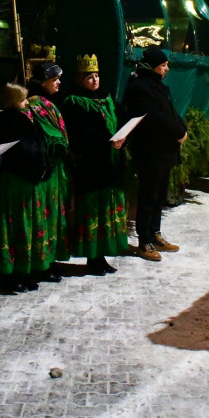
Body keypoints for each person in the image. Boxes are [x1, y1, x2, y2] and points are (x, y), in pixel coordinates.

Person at [62, 54, 128, 274]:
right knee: (92, 213)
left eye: (97, 76)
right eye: (90, 77)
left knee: (107, 211)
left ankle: (102, 255)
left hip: (110, 166)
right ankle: (93, 257)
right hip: (91, 167)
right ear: (80, 79)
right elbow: (80, 135)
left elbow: (121, 120)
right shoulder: (74, 102)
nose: (95, 80)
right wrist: (106, 142)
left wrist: (122, 138)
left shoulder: (107, 99)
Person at [124, 46, 187, 261]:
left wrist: (182, 127)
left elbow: (170, 112)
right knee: (148, 196)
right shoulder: (140, 88)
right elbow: (154, 117)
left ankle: (155, 233)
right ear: (152, 67)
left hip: (164, 150)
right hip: (150, 151)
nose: (167, 69)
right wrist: (178, 131)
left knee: (159, 195)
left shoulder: (159, 86)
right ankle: (144, 240)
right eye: (163, 65)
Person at [0, 83, 51, 289]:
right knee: (17, 225)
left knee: (25, 224)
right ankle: (14, 273)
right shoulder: (7, 120)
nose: (27, 103)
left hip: (26, 179)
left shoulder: (19, 118)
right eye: (23, 99)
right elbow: (23, 150)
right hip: (16, 180)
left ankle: (25, 270)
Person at [25, 62, 70, 280]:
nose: (59, 83)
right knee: (45, 216)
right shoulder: (35, 104)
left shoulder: (48, 101)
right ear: (43, 82)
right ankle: (41, 264)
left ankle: (49, 260)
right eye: (54, 79)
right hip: (46, 168)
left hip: (54, 168)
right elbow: (53, 137)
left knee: (52, 214)